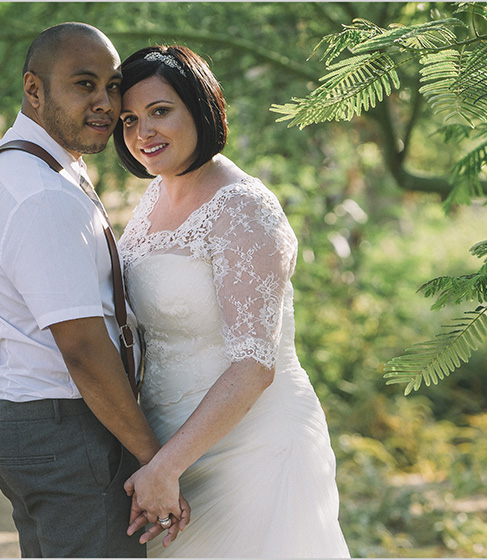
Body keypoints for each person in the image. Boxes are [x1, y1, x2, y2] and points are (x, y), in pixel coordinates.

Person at [115, 45, 350, 557]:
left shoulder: (244, 208)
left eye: (160, 111)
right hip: (172, 447)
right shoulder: (157, 194)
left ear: (199, 107)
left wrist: (165, 467)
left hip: (254, 447)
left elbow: (254, 365)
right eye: (130, 119)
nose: (143, 133)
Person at [0, 24, 187, 557]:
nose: (105, 104)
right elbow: (84, 350)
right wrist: (153, 462)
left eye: (112, 86)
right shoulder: (42, 192)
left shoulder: (20, 166)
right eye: (83, 84)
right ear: (34, 89)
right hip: (66, 433)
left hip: (30, 421)